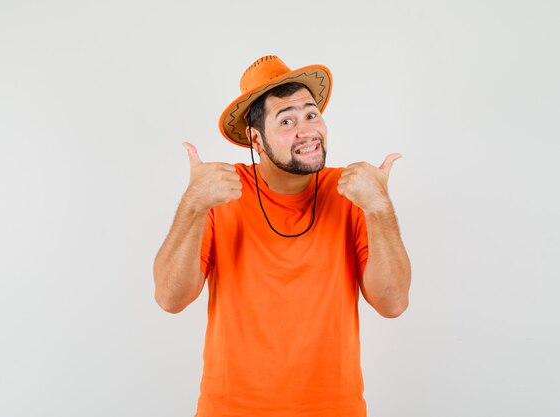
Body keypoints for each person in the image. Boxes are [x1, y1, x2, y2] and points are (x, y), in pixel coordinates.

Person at [153, 55, 411, 417]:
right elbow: (170, 298)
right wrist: (194, 205)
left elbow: (393, 303)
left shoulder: (352, 191)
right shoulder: (220, 192)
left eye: (311, 114)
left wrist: (380, 208)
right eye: (287, 120)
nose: (306, 130)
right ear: (256, 139)